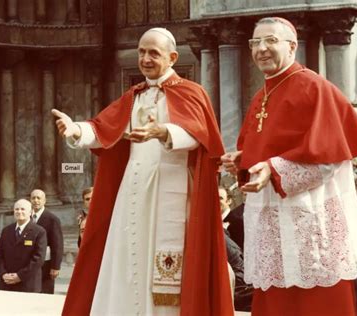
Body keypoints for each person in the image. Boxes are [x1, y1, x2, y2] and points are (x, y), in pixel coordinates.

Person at [53, 27, 232, 315]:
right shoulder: (134, 95)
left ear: (173, 57)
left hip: (170, 193)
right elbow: (103, 128)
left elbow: (200, 137)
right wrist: (75, 129)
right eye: (141, 52)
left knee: (166, 268)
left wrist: (164, 132)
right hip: (132, 195)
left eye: (153, 53)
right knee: (127, 258)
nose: (145, 58)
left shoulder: (192, 92)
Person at [221, 17, 357, 315]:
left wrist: (272, 169)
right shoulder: (262, 95)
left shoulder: (314, 87)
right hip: (273, 229)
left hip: (310, 231)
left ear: (292, 46)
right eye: (255, 42)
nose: (261, 49)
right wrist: (244, 160)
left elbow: (329, 159)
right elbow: (270, 150)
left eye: (270, 41)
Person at [0, 199, 47, 293]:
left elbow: (38, 259)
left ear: (30, 212)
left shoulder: (39, 232)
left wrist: (19, 276)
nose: (19, 212)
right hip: (6, 283)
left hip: (28, 284)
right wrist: (3, 274)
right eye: (17, 209)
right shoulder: (6, 231)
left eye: (23, 209)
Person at [30, 189, 64, 294]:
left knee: (45, 292)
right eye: (33, 198)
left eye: (38, 198)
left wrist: (55, 267)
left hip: (46, 264)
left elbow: (57, 245)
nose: (36, 201)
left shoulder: (52, 219)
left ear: (44, 201)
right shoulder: (26, 217)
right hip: (29, 263)